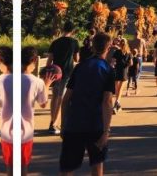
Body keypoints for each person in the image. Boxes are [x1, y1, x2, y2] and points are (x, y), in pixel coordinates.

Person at [59, 31, 115, 176]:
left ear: (93, 46)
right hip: (96, 124)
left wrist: (63, 124)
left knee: (67, 167)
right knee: (97, 165)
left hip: (74, 123)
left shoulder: (80, 67)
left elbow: (66, 99)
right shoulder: (108, 70)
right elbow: (107, 101)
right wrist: (106, 131)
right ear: (108, 47)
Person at [46, 21, 80, 134]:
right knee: (61, 97)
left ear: (63, 28)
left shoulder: (55, 42)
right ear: (72, 30)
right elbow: (76, 59)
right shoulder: (74, 42)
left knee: (55, 96)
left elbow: (49, 60)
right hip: (67, 73)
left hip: (55, 72)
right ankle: (54, 123)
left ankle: (52, 121)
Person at [108, 37, 130, 112]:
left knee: (117, 89)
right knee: (120, 89)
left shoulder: (117, 52)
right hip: (124, 71)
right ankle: (117, 103)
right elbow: (131, 63)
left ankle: (117, 104)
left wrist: (111, 66)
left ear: (120, 44)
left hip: (117, 71)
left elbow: (113, 61)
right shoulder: (128, 53)